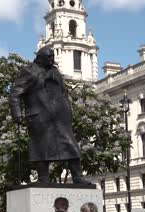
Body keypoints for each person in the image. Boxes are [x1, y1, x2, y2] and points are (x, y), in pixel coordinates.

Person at [9, 47, 89, 184]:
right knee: (41, 149)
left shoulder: (55, 71)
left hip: (60, 117)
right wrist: (17, 113)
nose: (52, 60)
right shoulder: (29, 72)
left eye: (53, 57)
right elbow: (15, 93)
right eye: (49, 57)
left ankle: (77, 177)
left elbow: (63, 92)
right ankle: (43, 179)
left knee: (71, 145)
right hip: (39, 117)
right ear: (40, 58)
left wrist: (68, 110)